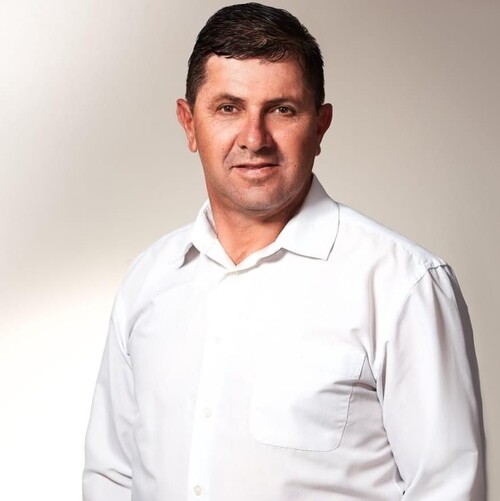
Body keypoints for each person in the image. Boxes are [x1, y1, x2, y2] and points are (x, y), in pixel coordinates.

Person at [83, 3, 485, 500]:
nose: (254, 139)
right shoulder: (149, 280)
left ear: (320, 126)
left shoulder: (401, 284)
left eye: (282, 110)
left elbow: (447, 488)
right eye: (228, 108)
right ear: (189, 123)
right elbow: (112, 477)